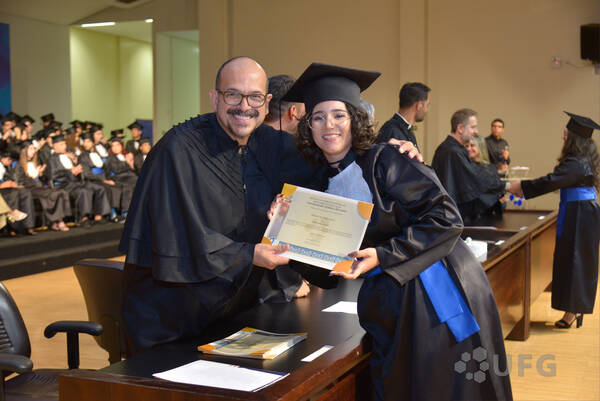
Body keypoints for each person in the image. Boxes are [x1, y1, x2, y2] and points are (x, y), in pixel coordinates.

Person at [119, 56, 422, 353]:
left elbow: (332, 163)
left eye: (254, 97)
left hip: (234, 319)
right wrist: (250, 254)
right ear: (214, 98)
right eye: (233, 95)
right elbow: (175, 239)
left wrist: (386, 156)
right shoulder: (178, 150)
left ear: (266, 103)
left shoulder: (272, 144)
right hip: (170, 322)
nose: (244, 106)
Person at [284, 62, 511, 401]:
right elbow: (330, 271)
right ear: (308, 127)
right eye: (318, 117)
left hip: (432, 287)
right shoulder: (320, 185)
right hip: (389, 298)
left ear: (354, 119)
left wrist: (383, 255)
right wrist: (287, 238)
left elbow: (447, 218)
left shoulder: (387, 159)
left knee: (444, 388)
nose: (328, 125)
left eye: (338, 115)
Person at [508, 112, 600, 329]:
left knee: (576, 261)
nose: (563, 138)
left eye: (566, 134)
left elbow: (551, 181)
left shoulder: (576, 163)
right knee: (572, 259)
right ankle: (573, 309)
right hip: (579, 212)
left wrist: (522, 187)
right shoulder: (582, 160)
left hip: (580, 215)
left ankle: (574, 310)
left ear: (574, 139)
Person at [432, 108, 506, 224]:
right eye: (473, 127)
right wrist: (505, 186)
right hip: (451, 220)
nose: (476, 131)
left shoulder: (450, 149)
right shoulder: (453, 152)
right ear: (460, 128)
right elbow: (472, 182)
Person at [46, 134, 111, 226]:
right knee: (84, 191)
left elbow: (77, 171)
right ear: (55, 146)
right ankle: (84, 217)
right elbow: (53, 176)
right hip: (64, 185)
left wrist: (77, 166)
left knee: (99, 188)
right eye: (61, 144)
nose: (64, 146)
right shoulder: (52, 160)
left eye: (64, 144)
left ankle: (99, 215)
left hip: (76, 182)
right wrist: (70, 172)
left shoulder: (69, 156)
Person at [16, 141, 71, 231]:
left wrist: (42, 174)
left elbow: (45, 178)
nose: (33, 151)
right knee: (55, 194)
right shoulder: (19, 165)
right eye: (31, 149)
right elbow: (21, 182)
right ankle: (58, 221)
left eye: (34, 149)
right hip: (30, 190)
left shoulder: (36, 162)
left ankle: (56, 221)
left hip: (41, 188)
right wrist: (34, 177)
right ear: (24, 151)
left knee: (60, 193)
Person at [79, 133, 129, 223]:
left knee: (118, 186)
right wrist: (104, 180)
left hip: (103, 177)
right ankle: (110, 214)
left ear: (93, 143)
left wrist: (110, 179)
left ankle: (122, 212)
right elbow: (87, 174)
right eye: (84, 142)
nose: (85, 144)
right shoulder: (82, 156)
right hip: (92, 180)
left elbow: (105, 169)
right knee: (106, 187)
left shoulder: (98, 154)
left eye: (88, 142)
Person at [377, 82, 430, 147]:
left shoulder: (401, 129)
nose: (427, 110)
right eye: (427, 105)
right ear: (419, 105)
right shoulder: (393, 131)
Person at [0, 151, 36, 235]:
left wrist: (14, 184)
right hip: (4, 190)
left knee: (25, 193)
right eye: (8, 160)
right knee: (13, 194)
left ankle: (28, 226)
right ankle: (13, 226)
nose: (9, 162)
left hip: (9, 188)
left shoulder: (8, 166)